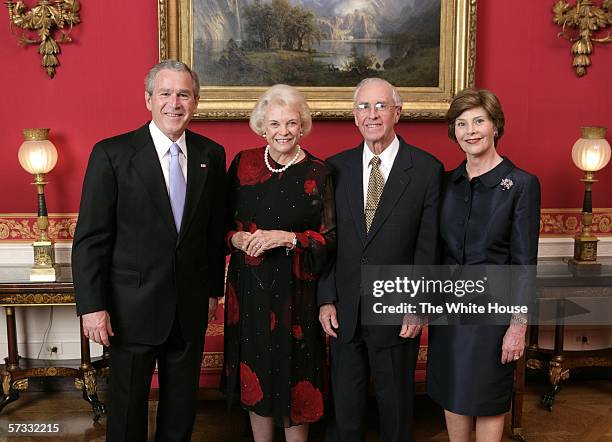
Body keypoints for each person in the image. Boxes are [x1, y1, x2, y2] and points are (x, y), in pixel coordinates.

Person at [72, 60, 226, 441]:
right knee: (126, 411)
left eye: (184, 95)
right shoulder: (112, 154)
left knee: (180, 408)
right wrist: (92, 306)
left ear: (196, 101)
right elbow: (91, 238)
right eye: (165, 93)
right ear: (148, 100)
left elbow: (211, 232)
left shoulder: (212, 154)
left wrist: (211, 291)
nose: (174, 103)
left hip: (188, 307)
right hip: (130, 308)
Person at [317, 78, 443, 442]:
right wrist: (326, 298)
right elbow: (328, 240)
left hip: (397, 305)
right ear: (354, 116)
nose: (371, 114)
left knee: (396, 407)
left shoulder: (425, 169)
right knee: (345, 409)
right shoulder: (334, 169)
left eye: (380, 106)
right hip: (345, 308)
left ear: (397, 113)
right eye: (363, 107)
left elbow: (428, 245)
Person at [223, 84, 336, 442]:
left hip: (297, 290)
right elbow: (219, 226)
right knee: (255, 369)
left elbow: (330, 239)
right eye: (274, 124)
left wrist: (286, 238)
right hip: (250, 290)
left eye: (291, 123)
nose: (283, 131)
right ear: (262, 126)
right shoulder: (243, 163)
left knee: (296, 371)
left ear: (302, 126)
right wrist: (235, 239)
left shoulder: (320, 172)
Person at [426, 88, 540, 442]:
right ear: (453, 131)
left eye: (479, 121)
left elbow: (524, 262)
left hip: (494, 313)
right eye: (461, 123)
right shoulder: (445, 183)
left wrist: (518, 326)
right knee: (453, 390)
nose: (470, 130)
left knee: (488, 397)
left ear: (495, 126)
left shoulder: (521, 184)